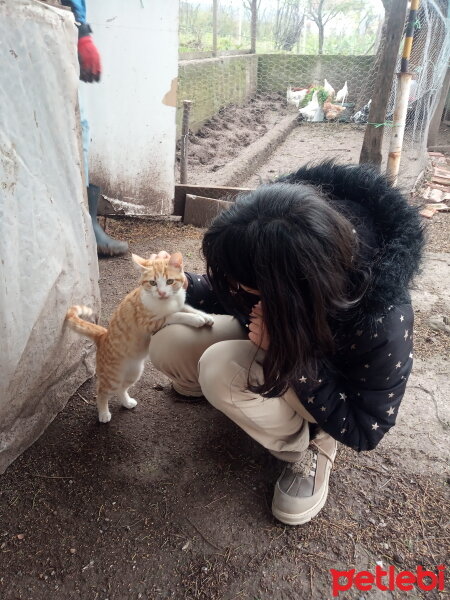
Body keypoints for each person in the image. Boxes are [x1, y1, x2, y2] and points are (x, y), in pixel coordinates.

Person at [148, 161, 424, 526]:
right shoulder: (281, 241)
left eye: (239, 279)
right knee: (169, 337)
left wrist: (288, 355)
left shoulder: (381, 317)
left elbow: (365, 428)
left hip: (322, 386)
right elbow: (226, 291)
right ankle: (235, 398)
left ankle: (308, 443)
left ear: (286, 289)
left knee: (221, 370)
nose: (229, 283)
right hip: (278, 340)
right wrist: (185, 284)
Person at [62, 0, 128, 256]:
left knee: (79, 125)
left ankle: (85, 225)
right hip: (47, 19)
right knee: (77, 126)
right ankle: (84, 228)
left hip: (57, 21)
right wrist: (81, 31)